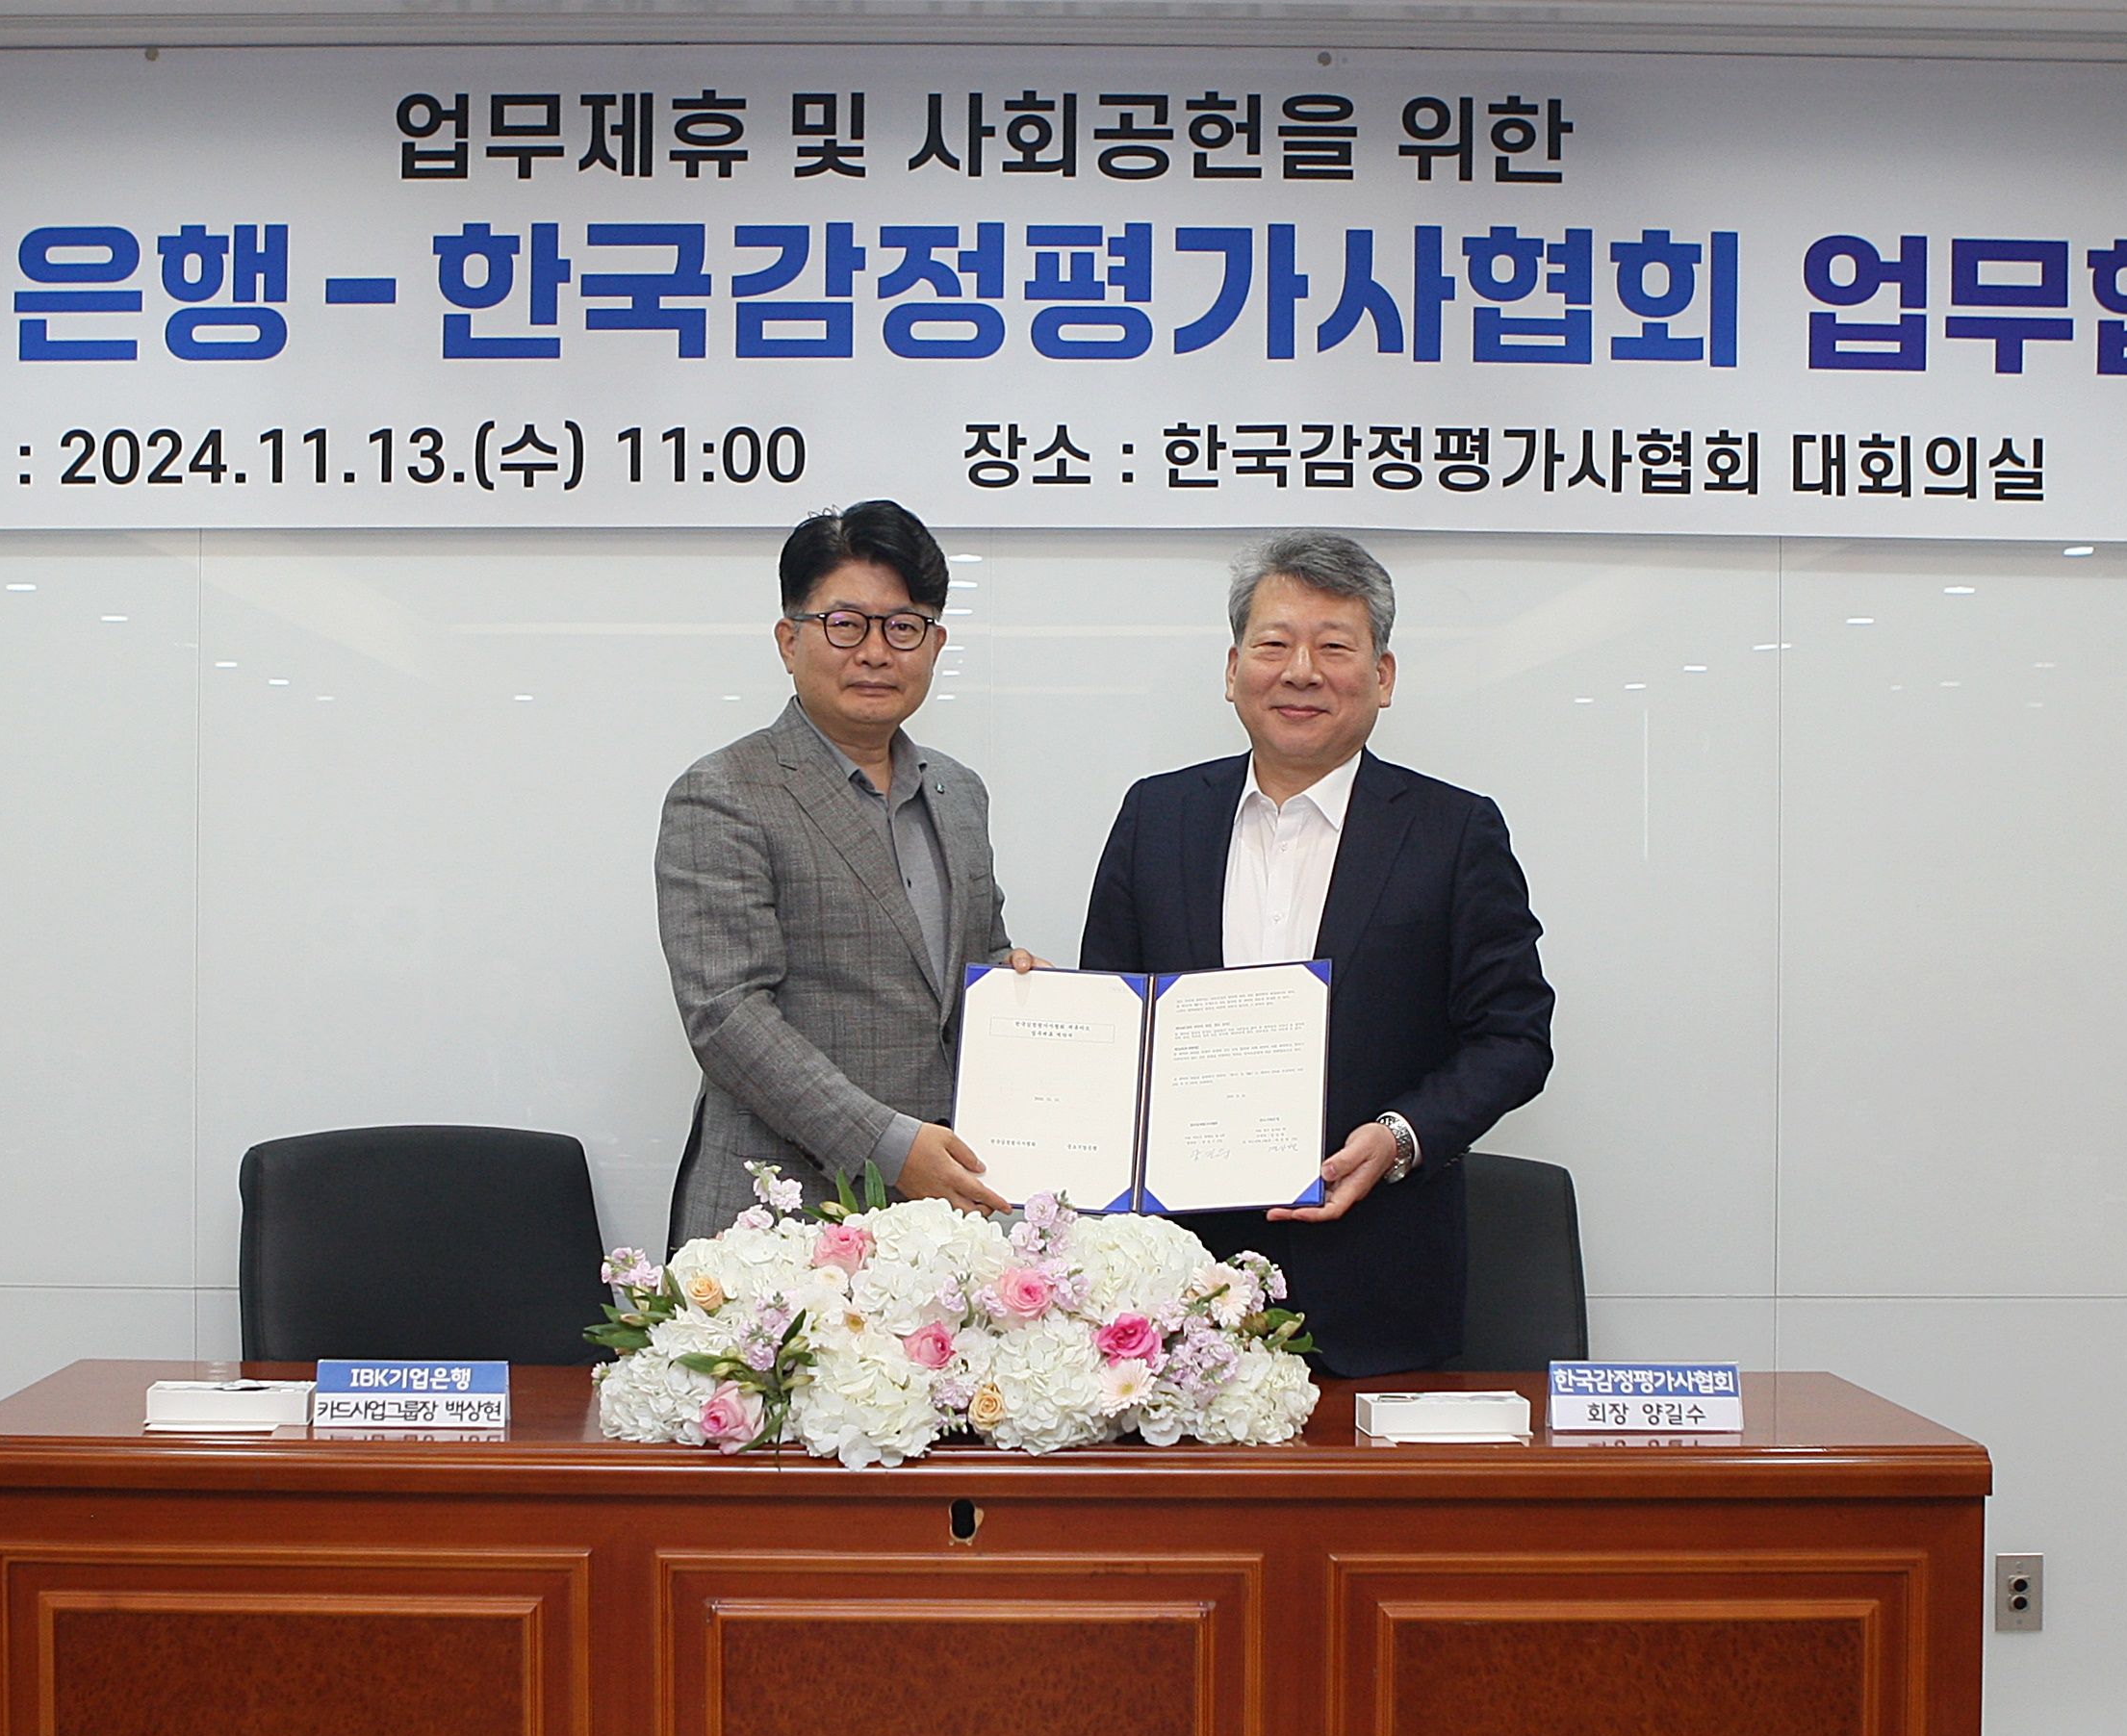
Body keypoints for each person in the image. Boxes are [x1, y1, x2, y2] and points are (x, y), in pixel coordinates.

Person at [1080, 532, 1557, 1376]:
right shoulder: (1155, 817)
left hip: (1378, 1289)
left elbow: (1512, 1036)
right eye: (1273, 644)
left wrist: (1398, 1135)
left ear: (1382, 676)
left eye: (1334, 645)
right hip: (1171, 1293)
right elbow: (1110, 1024)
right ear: (1232, 670)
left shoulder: (1453, 832)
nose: (1300, 670)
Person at [656, 500, 1025, 1245]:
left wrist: (1021, 993)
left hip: (940, 1218)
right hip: (780, 1216)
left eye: (903, 626)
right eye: (845, 623)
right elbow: (728, 1016)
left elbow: (969, 970)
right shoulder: (723, 791)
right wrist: (889, 1146)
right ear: (789, 640)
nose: (875, 651)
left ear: (935, 643)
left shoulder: (959, 793)